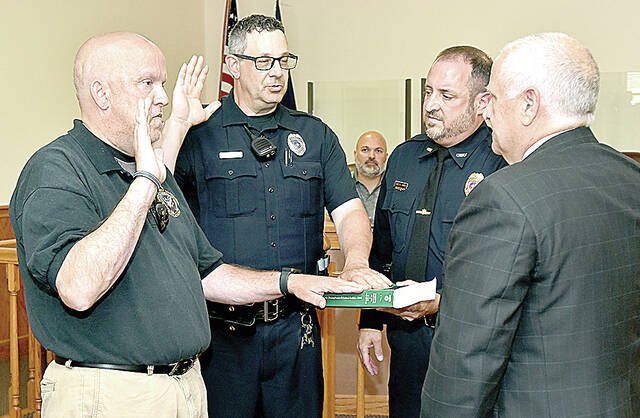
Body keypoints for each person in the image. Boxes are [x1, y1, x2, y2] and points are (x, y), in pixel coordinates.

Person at [8, 32, 364, 417]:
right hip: (112, 392)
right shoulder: (57, 168)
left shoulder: (146, 171)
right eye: (148, 84)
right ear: (102, 94)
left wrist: (291, 283)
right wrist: (147, 180)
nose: (163, 97)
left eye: (162, 83)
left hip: (182, 387)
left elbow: (208, 275)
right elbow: (78, 288)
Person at [166, 14, 391, 418]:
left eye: (284, 61)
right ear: (233, 66)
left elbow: (350, 211)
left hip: (296, 332)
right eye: (263, 62)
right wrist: (174, 130)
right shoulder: (200, 134)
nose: (277, 73)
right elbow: (159, 203)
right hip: (222, 335)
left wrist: (356, 262)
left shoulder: (315, 134)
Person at [421, 33, 640, 417]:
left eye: (491, 97)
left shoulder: (502, 199)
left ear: (528, 104)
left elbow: (466, 362)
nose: (485, 112)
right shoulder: (630, 178)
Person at [357, 46, 507, 418]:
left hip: (472, 343)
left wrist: (442, 302)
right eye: (428, 92)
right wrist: (371, 321)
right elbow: (383, 252)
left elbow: (508, 270)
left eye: (447, 95)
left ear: (482, 103)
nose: (430, 105)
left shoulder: (501, 162)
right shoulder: (405, 158)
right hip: (406, 341)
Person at [353, 130, 388, 225]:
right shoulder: (341, 185)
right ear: (355, 155)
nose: (372, 156)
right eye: (365, 150)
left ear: (386, 157)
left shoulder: (395, 189)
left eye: (378, 151)